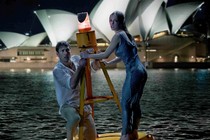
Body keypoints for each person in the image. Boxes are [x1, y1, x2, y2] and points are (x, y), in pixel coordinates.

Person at [80, 11, 147, 140]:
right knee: (135, 103)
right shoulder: (128, 35)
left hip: (133, 72)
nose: (111, 23)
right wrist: (110, 63)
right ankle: (134, 131)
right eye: (110, 21)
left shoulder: (118, 36)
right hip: (141, 71)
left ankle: (125, 135)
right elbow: (125, 55)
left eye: (114, 21)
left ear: (121, 22)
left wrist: (87, 56)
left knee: (125, 103)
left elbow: (105, 54)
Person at [53, 41, 98, 140]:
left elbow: (91, 68)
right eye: (62, 51)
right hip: (67, 105)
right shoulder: (58, 70)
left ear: (70, 50)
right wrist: (81, 67)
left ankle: (76, 131)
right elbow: (72, 84)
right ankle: (71, 136)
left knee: (92, 137)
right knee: (74, 118)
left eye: (67, 50)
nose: (66, 53)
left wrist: (97, 60)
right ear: (58, 54)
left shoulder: (77, 59)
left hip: (82, 104)